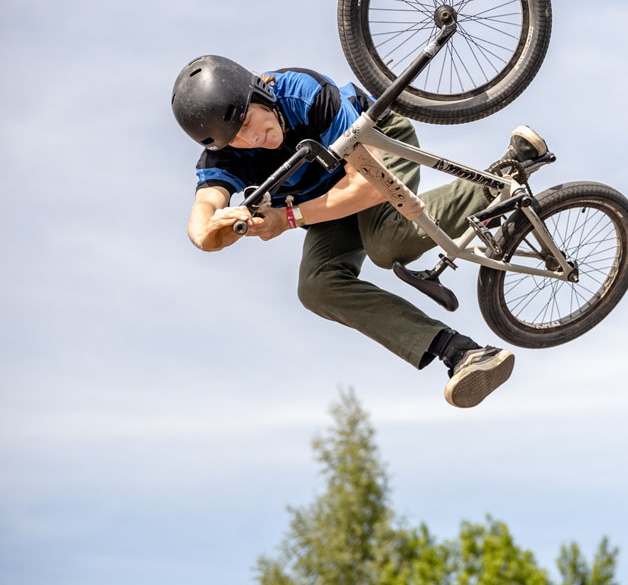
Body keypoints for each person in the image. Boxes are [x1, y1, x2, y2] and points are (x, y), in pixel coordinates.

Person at [173, 55, 546, 408]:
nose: (251, 139)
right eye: (235, 138)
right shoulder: (227, 152)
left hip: (376, 154)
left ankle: (497, 182)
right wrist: (206, 235)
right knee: (316, 286)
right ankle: (461, 352)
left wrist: (288, 219)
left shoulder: (302, 94)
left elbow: (367, 187)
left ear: (259, 93)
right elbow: (203, 208)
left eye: (248, 123)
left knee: (387, 244)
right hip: (327, 196)